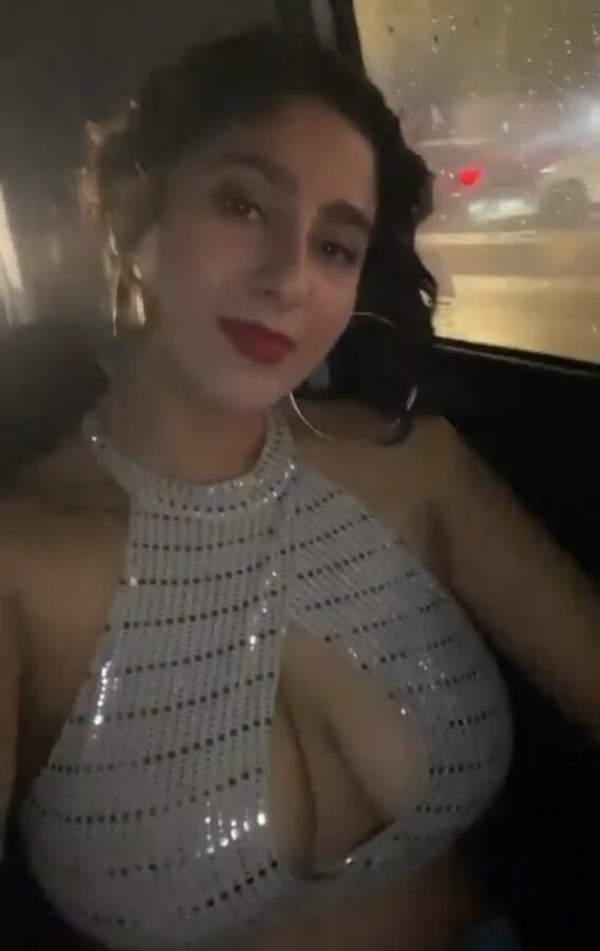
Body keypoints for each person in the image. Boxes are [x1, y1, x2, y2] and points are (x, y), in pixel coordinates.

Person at [0, 28, 598, 951]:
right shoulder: (23, 563)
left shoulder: (418, 467)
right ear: (133, 212)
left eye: (334, 245)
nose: (288, 279)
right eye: (242, 205)